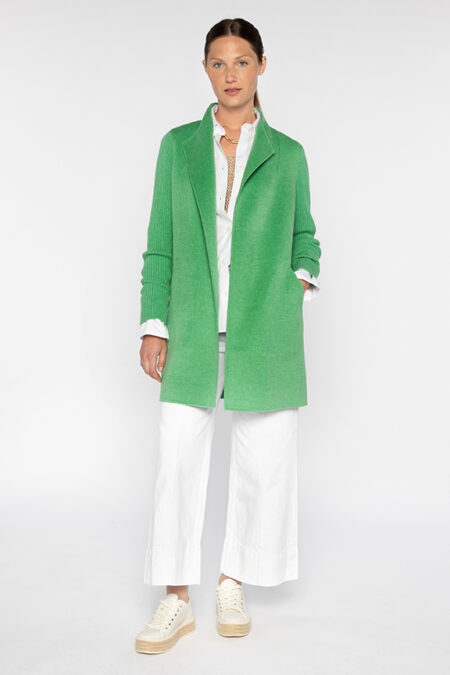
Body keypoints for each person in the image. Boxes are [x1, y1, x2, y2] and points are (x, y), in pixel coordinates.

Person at [135, 17, 322, 654]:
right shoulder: (177, 147)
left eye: (242, 61)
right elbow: (159, 241)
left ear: (261, 66)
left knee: (263, 464)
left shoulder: (289, 154)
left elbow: (305, 234)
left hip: (262, 327)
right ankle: (175, 599)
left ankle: (231, 580)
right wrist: (154, 323)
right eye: (218, 63)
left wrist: (299, 280)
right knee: (177, 463)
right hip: (191, 325)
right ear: (205, 70)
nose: (231, 75)